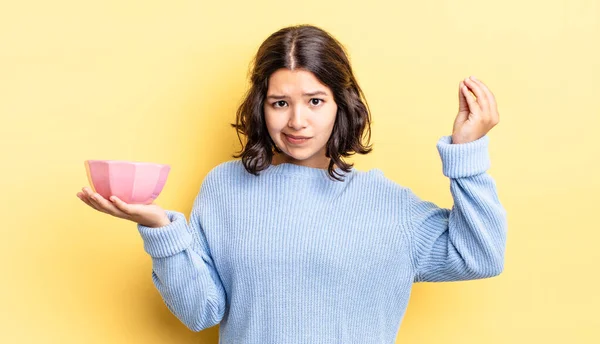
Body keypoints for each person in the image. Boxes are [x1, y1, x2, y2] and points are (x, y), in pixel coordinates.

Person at [77, 24, 507, 344]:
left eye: (315, 101)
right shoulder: (225, 188)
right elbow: (199, 312)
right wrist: (160, 230)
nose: (296, 121)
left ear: (342, 105)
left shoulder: (386, 204)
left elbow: (481, 256)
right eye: (279, 103)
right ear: (260, 107)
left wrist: (466, 156)